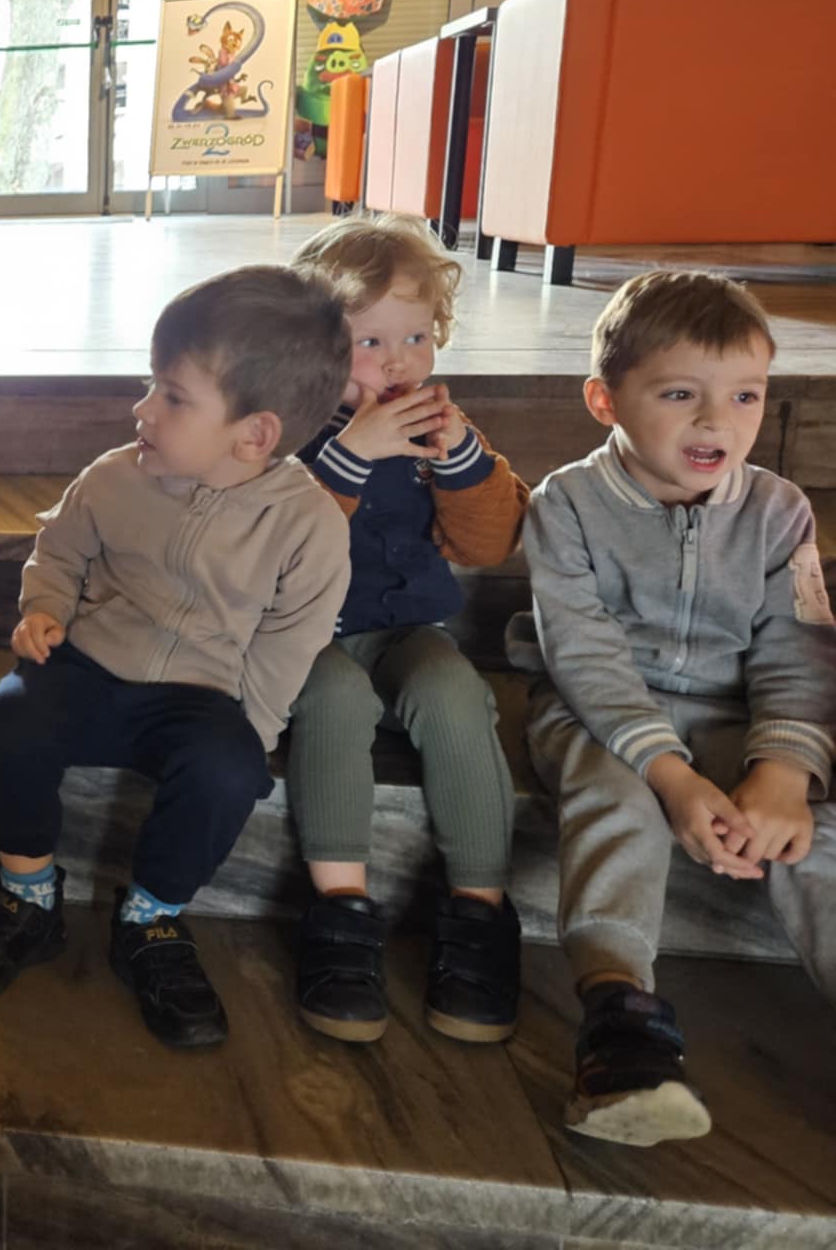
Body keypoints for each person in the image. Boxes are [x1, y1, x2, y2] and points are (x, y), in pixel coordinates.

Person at [0, 265, 352, 1049]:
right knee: (11, 722)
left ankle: (151, 918)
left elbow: (292, 637)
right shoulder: (114, 476)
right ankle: (27, 896)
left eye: (173, 396)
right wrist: (44, 609)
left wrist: (250, 731)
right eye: (151, 385)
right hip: (87, 667)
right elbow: (61, 548)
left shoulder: (309, 525)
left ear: (254, 435)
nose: (143, 409)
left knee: (229, 771)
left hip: (201, 696)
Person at [509, 269, 835, 1146]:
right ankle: (622, 1033)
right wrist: (671, 777)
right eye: (681, 394)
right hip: (597, 716)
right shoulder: (567, 506)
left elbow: (798, 649)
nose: (716, 422)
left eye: (745, 396)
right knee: (617, 805)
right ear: (605, 401)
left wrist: (783, 772)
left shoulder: (779, 513)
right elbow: (584, 656)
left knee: (809, 837)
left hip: (732, 718)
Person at [283, 217, 529, 1044]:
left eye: (416, 338)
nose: (399, 362)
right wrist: (352, 454)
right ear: (316, 350)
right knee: (334, 698)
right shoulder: (284, 430)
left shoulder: (440, 435)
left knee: (454, 689)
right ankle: (340, 911)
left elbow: (489, 544)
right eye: (371, 342)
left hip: (405, 628)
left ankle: (481, 910)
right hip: (306, 636)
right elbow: (276, 545)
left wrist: (461, 460)